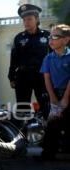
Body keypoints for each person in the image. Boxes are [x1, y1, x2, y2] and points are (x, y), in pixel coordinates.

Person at [8, 4, 50, 118]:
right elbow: (14, 59)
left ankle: (48, 131)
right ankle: (23, 133)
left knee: (46, 105)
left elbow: (53, 57)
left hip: (42, 76)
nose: (26, 22)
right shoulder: (19, 38)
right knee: (22, 108)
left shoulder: (47, 36)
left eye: (29, 19)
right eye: (24, 20)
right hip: (23, 76)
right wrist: (11, 77)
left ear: (37, 19)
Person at [40, 24, 70, 160]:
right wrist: (53, 99)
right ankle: (48, 154)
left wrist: (65, 98)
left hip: (68, 93)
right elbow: (47, 79)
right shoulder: (48, 58)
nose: (51, 39)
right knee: (52, 124)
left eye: (55, 36)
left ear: (65, 40)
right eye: (50, 36)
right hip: (55, 93)